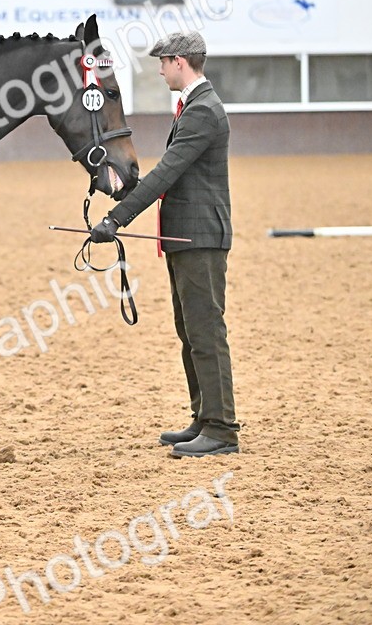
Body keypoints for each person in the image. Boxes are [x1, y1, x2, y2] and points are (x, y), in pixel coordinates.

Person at [90, 32, 240, 458]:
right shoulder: (194, 106)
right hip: (185, 236)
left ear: (180, 62)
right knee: (189, 329)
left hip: (200, 236)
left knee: (206, 331)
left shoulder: (203, 110)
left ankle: (222, 429)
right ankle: (204, 417)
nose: (159, 70)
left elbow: (166, 174)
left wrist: (115, 219)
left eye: (162, 62)